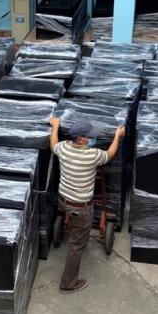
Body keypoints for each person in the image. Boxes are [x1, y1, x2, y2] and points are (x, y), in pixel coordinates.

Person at [49, 117, 125, 294]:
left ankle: (69, 222)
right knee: (76, 247)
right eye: (89, 137)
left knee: (73, 220)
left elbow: (53, 144)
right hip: (81, 207)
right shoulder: (93, 155)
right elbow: (110, 154)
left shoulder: (63, 148)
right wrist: (117, 136)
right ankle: (68, 284)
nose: (92, 139)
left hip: (63, 200)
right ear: (81, 139)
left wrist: (55, 126)